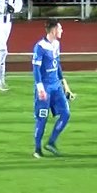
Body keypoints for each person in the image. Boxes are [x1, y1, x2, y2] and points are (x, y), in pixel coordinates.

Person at [32, 19, 74, 158]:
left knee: (66, 114)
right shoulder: (40, 47)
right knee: (42, 119)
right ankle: (37, 149)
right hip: (45, 89)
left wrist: (65, 86)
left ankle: (51, 142)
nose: (62, 31)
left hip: (56, 87)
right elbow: (36, 69)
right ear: (54, 30)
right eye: (60, 29)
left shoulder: (56, 44)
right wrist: (40, 89)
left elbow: (58, 65)